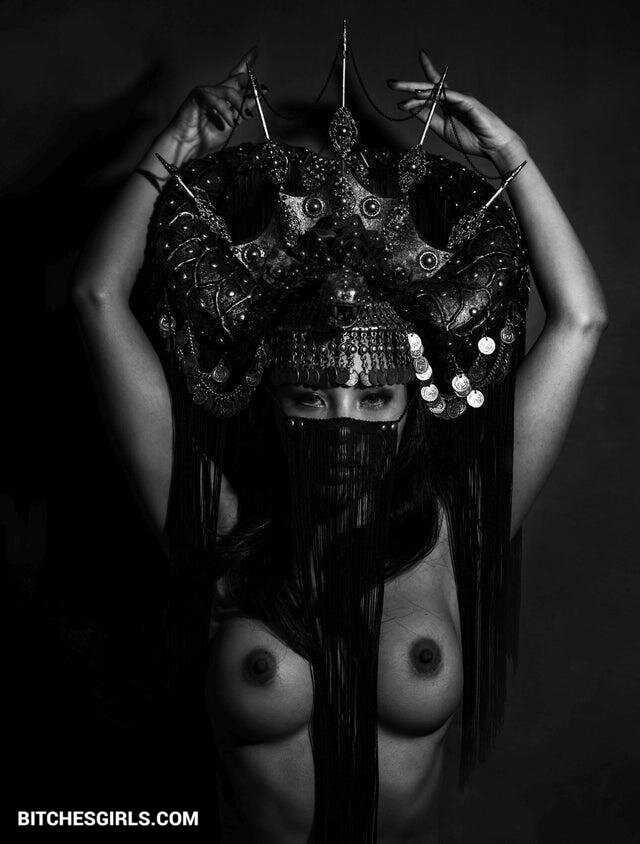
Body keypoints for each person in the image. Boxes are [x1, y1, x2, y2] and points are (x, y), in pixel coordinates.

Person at [71, 39, 608, 844]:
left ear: (413, 405)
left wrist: (510, 156)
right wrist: (171, 150)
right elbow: (96, 297)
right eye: (310, 395)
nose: (342, 422)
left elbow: (580, 321)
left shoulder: (456, 529)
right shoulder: (216, 525)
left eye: (374, 396)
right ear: (267, 400)